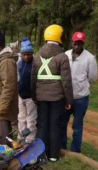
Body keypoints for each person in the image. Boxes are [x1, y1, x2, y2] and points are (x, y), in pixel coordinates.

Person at [31, 24, 73, 162]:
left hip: (41, 97)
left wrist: (34, 96)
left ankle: (40, 155)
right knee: (55, 124)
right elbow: (66, 82)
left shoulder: (37, 56)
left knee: (42, 124)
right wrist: (69, 100)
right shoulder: (62, 57)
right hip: (57, 98)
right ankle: (53, 155)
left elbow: (33, 79)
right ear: (59, 36)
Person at [61, 32, 98, 152]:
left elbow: (93, 77)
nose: (77, 45)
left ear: (83, 43)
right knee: (62, 123)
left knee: (77, 126)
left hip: (81, 98)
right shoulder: (65, 55)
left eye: (80, 43)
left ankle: (75, 150)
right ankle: (62, 146)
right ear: (72, 42)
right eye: (75, 42)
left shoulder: (90, 58)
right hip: (66, 96)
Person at [17, 38, 37, 143]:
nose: (26, 56)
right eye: (24, 54)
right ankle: (21, 138)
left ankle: (30, 141)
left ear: (32, 53)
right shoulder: (19, 63)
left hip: (31, 97)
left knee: (31, 120)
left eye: (28, 54)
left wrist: (35, 96)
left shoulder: (35, 64)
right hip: (21, 95)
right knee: (21, 118)